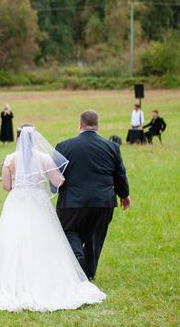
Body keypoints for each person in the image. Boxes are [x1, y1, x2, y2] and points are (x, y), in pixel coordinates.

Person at [0, 125, 106, 311]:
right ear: (35, 139)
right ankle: (47, 279)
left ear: (18, 139)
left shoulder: (10, 159)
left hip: (17, 203)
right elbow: (58, 181)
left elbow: (6, 187)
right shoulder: (44, 158)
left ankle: (14, 281)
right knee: (44, 240)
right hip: (39, 202)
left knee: (15, 240)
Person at [55, 110, 131, 281]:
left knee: (68, 230)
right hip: (103, 201)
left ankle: (76, 254)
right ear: (97, 125)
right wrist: (124, 195)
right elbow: (120, 174)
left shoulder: (64, 146)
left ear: (80, 125)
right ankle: (89, 273)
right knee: (95, 236)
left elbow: (56, 176)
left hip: (72, 201)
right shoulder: (112, 147)